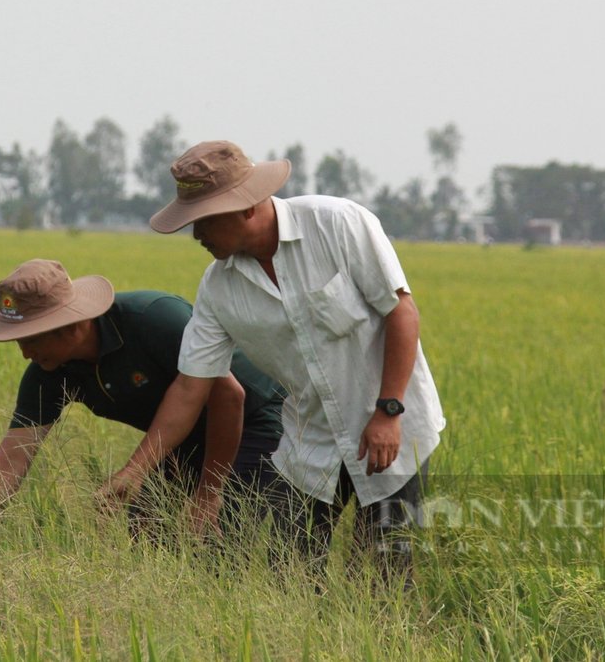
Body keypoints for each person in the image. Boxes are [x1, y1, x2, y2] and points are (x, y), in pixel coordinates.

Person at [108, 140, 445, 569]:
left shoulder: (337, 223)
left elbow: (400, 311)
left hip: (390, 430)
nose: (196, 235)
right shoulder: (218, 288)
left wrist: (389, 410)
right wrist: (134, 472)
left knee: (383, 574)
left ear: (246, 208)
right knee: (287, 571)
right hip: (310, 444)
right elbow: (192, 386)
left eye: (204, 221)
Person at [0, 258, 284, 533]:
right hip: (188, 435)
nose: (24, 354)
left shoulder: (152, 319)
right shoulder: (49, 372)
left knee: (222, 533)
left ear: (70, 325)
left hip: (258, 418)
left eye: (30, 340)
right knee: (143, 529)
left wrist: (208, 492)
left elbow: (230, 398)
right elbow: (12, 458)